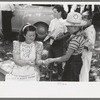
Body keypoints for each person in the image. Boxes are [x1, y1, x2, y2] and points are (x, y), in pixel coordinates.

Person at [44, 12, 87, 81]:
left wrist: (52, 60)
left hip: (73, 63)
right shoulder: (78, 34)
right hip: (75, 61)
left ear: (75, 27)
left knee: (70, 80)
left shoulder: (75, 40)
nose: (67, 28)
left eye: (68, 26)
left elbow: (66, 57)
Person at [44, 5, 68, 80]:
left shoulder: (64, 22)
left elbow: (67, 33)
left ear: (60, 12)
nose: (53, 14)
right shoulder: (52, 21)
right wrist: (48, 35)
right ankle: (49, 73)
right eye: (53, 12)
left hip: (59, 43)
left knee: (59, 60)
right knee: (50, 58)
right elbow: (49, 31)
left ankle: (60, 74)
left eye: (55, 12)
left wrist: (61, 37)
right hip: (52, 42)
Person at [79, 11, 96, 82]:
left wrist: (82, 44)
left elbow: (91, 45)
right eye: (82, 18)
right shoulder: (85, 29)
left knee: (84, 71)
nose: (82, 20)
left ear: (90, 20)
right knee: (81, 71)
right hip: (82, 53)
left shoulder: (90, 30)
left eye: (84, 18)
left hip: (86, 54)